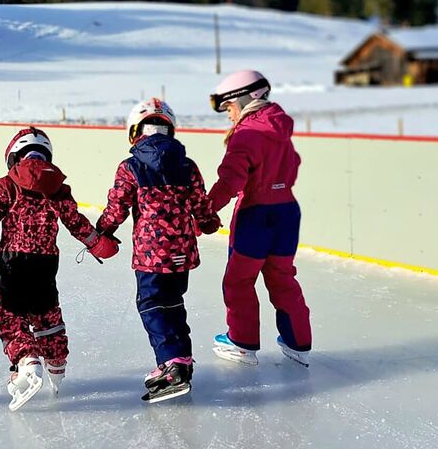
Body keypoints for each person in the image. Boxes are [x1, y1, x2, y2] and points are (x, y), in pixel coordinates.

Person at [0, 127, 119, 411]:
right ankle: (56, 363)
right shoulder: (58, 188)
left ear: (14, 156)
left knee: (11, 315)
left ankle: (27, 360)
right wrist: (99, 244)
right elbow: (77, 223)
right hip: (45, 264)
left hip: (12, 262)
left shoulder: (8, 184)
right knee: (46, 313)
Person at [95, 98, 221, 403]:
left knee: (152, 304)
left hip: (151, 255)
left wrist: (102, 232)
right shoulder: (187, 165)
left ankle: (171, 363)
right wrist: (208, 223)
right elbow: (201, 204)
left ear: (134, 131)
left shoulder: (131, 166)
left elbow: (117, 207)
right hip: (182, 253)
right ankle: (182, 361)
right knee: (174, 303)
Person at [207, 70, 311, 367]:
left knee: (239, 281)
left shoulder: (247, 133)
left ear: (242, 100)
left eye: (228, 108)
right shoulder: (279, 127)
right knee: (282, 277)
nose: (229, 116)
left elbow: (231, 180)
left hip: (256, 215)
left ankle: (241, 343)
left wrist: (205, 210)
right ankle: (298, 342)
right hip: (287, 212)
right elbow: (293, 165)